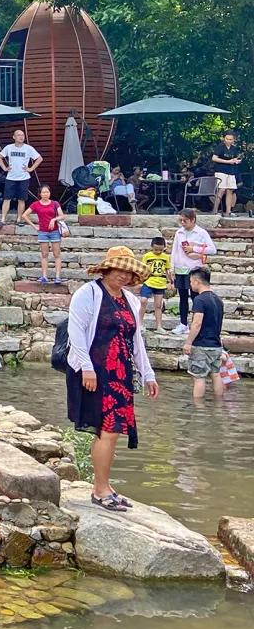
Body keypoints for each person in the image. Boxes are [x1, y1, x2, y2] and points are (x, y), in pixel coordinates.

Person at [66, 246, 159, 511]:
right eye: (119, 269)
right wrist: (87, 368)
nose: (124, 276)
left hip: (121, 373)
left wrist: (147, 373)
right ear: (107, 268)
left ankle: (105, 485)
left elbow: (136, 340)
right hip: (96, 372)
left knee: (114, 431)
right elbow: (77, 333)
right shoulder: (88, 294)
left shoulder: (130, 300)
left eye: (128, 272)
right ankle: (100, 490)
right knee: (105, 430)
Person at [169, 209, 216, 335]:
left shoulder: (201, 232)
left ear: (193, 220)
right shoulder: (179, 233)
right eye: (181, 220)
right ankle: (183, 324)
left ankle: (197, 324)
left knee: (196, 297)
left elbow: (212, 249)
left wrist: (193, 248)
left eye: (185, 221)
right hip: (181, 268)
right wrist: (171, 267)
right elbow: (174, 251)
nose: (183, 223)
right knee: (182, 297)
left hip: (194, 269)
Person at [184, 266, 225, 399]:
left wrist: (188, 342)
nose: (190, 284)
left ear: (197, 281)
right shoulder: (218, 300)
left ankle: (198, 410)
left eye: (191, 281)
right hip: (216, 345)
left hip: (201, 345)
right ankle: (218, 405)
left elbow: (197, 323)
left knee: (199, 377)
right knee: (216, 374)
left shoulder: (200, 300)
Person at [0, 129, 42, 225]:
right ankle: (3, 219)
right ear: (14, 137)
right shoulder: (9, 148)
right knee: (6, 198)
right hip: (11, 177)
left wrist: (31, 168)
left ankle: (19, 219)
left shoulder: (28, 148)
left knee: (21, 199)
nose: (21, 137)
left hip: (24, 177)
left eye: (22, 135)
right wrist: (4, 168)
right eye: (18, 135)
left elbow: (39, 158)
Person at [25, 184, 65, 284]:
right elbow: (24, 215)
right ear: (40, 194)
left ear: (50, 193)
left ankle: (58, 276)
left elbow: (62, 216)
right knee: (44, 254)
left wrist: (54, 219)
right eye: (43, 192)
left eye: (47, 192)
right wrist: (34, 226)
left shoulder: (55, 203)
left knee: (57, 254)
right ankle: (44, 276)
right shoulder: (36, 204)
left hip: (55, 231)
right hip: (43, 232)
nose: (45, 194)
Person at [140, 234, 170, 331]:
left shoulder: (165, 257)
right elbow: (143, 269)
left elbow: (168, 270)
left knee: (158, 305)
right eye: (156, 249)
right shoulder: (147, 256)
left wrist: (170, 281)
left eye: (160, 250)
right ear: (151, 247)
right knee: (143, 301)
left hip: (160, 282)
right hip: (148, 281)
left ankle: (159, 326)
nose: (158, 252)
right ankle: (139, 323)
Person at [211, 130, 242, 214]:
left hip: (231, 172)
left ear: (234, 139)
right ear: (224, 138)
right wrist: (228, 161)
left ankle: (228, 211)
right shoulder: (220, 147)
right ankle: (215, 210)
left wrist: (236, 161)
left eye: (231, 139)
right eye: (227, 139)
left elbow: (236, 158)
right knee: (221, 190)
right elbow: (214, 158)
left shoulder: (234, 148)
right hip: (221, 171)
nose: (229, 141)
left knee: (230, 191)